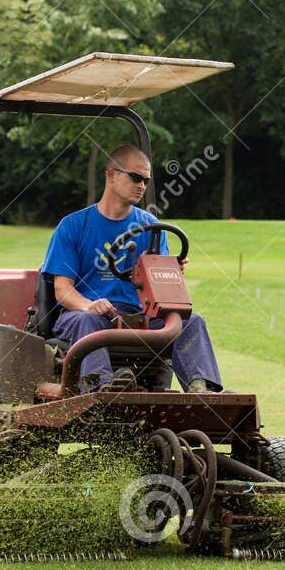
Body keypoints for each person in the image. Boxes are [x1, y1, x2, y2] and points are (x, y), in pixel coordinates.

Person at [41, 143, 223, 392]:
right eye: (135, 177)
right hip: (86, 315)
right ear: (111, 174)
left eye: (146, 181)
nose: (141, 186)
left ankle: (201, 390)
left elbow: (161, 292)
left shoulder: (151, 227)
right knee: (88, 322)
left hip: (138, 318)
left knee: (191, 322)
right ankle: (102, 389)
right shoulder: (73, 226)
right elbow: (63, 290)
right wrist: (89, 305)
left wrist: (169, 275)